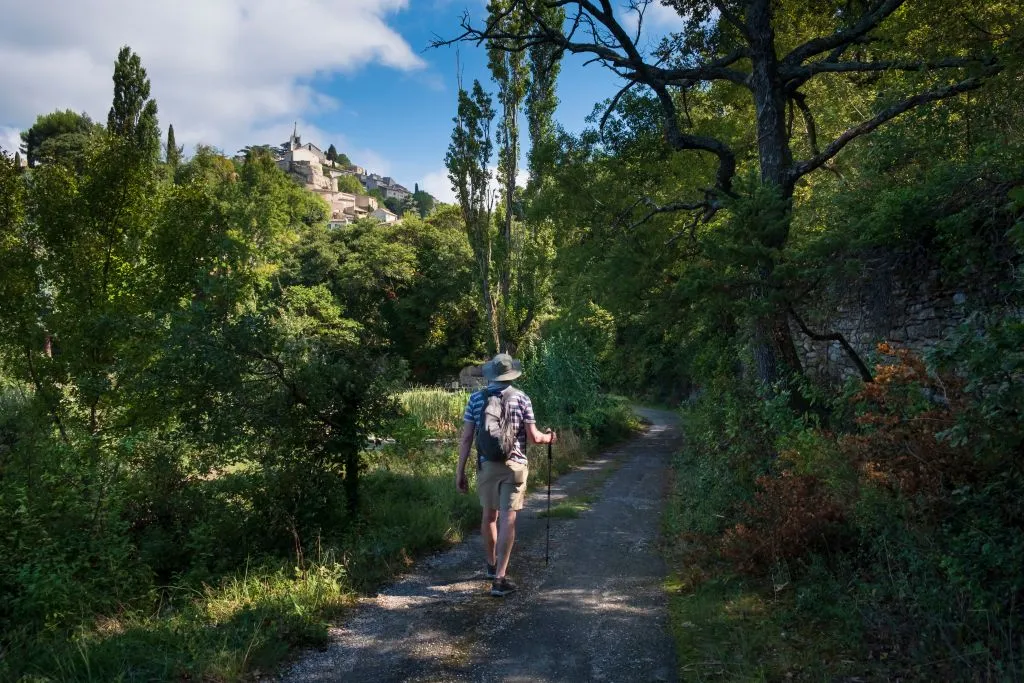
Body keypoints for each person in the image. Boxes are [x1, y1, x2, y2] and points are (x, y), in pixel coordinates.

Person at [455, 353, 556, 597]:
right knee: (507, 519)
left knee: (489, 517)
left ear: (491, 374)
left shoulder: (476, 399)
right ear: (511, 374)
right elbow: (534, 437)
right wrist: (550, 437)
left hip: (487, 465)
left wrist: (460, 471)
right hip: (515, 466)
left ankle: (490, 566)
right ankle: (500, 579)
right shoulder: (522, 398)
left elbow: (467, 437)